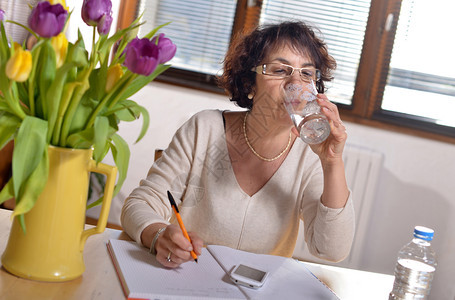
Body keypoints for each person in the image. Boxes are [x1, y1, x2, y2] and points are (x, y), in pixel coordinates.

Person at [121, 21, 355, 268]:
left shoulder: (310, 156)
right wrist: (159, 235)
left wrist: (332, 162)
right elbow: (139, 205)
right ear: (249, 84)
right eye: (280, 70)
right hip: (190, 277)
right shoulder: (204, 129)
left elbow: (331, 250)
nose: (295, 84)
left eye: (306, 73)